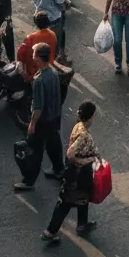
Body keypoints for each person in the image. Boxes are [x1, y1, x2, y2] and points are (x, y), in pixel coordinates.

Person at [14, 42, 73, 191]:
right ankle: (59, 170)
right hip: (54, 116)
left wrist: (32, 124)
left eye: (34, 54)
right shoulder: (52, 71)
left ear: (39, 59)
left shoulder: (39, 80)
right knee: (54, 143)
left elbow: (38, 107)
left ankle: (29, 181)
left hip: (43, 120)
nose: (32, 57)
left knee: (34, 150)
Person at [41, 101, 101, 243]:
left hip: (76, 174)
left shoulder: (78, 126)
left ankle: (82, 224)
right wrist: (86, 161)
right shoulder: (84, 134)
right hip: (78, 175)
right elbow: (71, 153)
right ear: (91, 117)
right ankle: (50, 231)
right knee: (66, 202)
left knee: (82, 198)